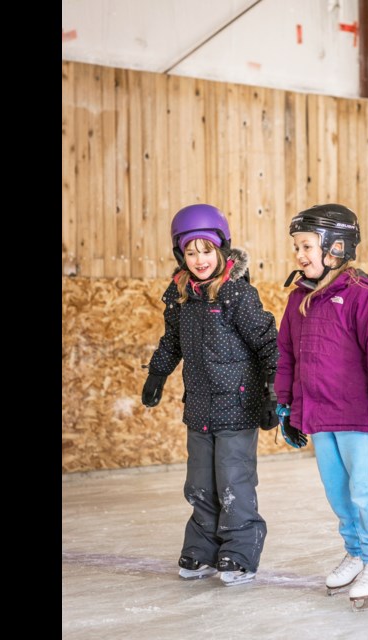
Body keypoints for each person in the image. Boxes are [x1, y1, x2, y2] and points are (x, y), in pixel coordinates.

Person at [274, 203, 368, 611]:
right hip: (319, 415)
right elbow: (287, 356)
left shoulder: (360, 294)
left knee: (365, 490)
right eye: (296, 247)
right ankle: (355, 552)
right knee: (337, 492)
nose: (300, 255)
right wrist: (285, 405)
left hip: (354, 413)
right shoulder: (299, 299)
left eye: (306, 246)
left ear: (336, 247)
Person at [141, 203, 280, 586]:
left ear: (221, 249)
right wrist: (157, 373)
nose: (199, 259)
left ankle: (239, 551)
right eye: (190, 251)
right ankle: (202, 548)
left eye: (206, 250)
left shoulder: (237, 294)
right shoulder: (181, 295)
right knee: (199, 483)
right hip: (200, 407)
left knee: (234, 482)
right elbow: (172, 341)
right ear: (179, 255)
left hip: (238, 406)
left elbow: (269, 343)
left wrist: (273, 391)